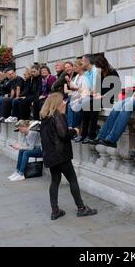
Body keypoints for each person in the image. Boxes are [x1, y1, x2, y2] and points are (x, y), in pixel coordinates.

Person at [40, 92, 98, 220]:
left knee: (55, 181)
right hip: (60, 155)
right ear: (57, 103)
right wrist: (75, 131)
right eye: (63, 101)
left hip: (50, 155)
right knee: (72, 179)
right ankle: (81, 208)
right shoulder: (58, 116)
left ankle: (55, 211)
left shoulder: (44, 118)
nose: (65, 103)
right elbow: (63, 134)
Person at [81, 55, 120, 145]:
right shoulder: (100, 74)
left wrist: (102, 96)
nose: (97, 69)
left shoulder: (113, 73)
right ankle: (84, 133)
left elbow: (115, 89)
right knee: (86, 104)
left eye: (98, 67)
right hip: (100, 97)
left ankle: (92, 134)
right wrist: (96, 94)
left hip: (109, 98)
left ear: (103, 65)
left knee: (94, 104)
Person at [66, 59, 85, 129]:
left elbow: (84, 89)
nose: (74, 68)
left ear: (81, 67)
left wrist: (75, 87)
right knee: (69, 105)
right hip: (75, 96)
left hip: (83, 96)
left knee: (74, 106)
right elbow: (72, 87)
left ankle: (74, 127)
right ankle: (70, 127)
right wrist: (69, 81)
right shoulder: (76, 76)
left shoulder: (85, 76)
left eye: (76, 66)